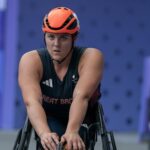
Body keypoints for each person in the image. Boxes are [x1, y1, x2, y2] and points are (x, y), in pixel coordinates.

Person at [18, 6, 103, 150]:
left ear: (74, 37)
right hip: (49, 117)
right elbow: (32, 102)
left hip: (83, 117)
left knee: (69, 145)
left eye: (63, 37)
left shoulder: (91, 57)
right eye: (51, 37)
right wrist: (44, 133)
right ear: (44, 37)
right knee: (52, 143)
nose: (56, 44)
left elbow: (81, 96)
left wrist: (72, 131)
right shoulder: (30, 60)